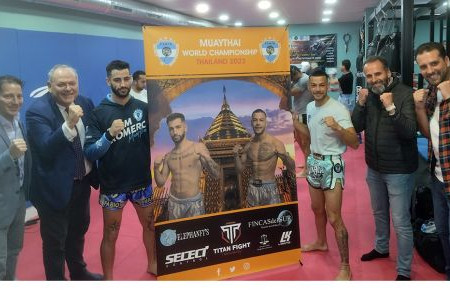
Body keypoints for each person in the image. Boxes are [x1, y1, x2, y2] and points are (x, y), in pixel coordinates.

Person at [25, 65, 102, 280]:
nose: (68, 88)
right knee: (55, 242)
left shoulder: (85, 102)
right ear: (50, 87)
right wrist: (69, 124)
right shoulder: (37, 112)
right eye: (61, 84)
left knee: (78, 232)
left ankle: (78, 272)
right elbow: (47, 148)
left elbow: (93, 138)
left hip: (82, 182)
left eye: (72, 83)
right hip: (53, 188)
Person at [84, 60, 155, 279]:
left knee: (150, 226)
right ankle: (109, 278)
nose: (123, 83)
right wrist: (108, 135)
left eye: (126, 78)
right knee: (110, 233)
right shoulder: (98, 114)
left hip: (142, 181)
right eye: (117, 79)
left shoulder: (144, 109)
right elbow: (91, 152)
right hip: (113, 184)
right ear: (108, 81)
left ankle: (153, 263)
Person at [352, 56, 417, 281]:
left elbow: (409, 132)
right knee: (379, 213)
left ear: (388, 72)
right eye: (369, 76)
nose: (373, 79)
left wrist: (391, 107)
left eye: (377, 74)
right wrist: (359, 104)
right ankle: (381, 248)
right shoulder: (369, 96)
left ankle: (404, 270)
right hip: (375, 167)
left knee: (400, 221)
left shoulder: (405, 93)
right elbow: (356, 127)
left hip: (399, 170)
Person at [292, 69, 359, 280]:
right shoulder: (311, 106)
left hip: (332, 164)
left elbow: (355, 143)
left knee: (334, 216)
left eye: (322, 85)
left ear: (328, 85)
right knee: (316, 209)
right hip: (314, 161)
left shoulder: (339, 109)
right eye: (314, 85)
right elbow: (311, 134)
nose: (318, 89)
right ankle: (321, 242)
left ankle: (345, 266)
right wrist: (293, 122)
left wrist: (338, 127)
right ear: (309, 87)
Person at [414, 42, 450, 280]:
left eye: (434, 63)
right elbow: (429, 134)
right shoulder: (432, 92)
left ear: (447, 61)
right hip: (438, 175)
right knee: (444, 231)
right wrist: (418, 107)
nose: (429, 70)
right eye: (424, 66)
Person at [154, 112, 220, 220]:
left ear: (185, 127)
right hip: (174, 203)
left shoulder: (198, 148)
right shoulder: (169, 156)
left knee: (197, 233)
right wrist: (156, 168)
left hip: (194, 204)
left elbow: (216, 175)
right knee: (177, 234)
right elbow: (160, 183)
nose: (175, 132)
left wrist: (208, 159)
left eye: (178, 127)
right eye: (171, 129)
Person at [0, 75, 31, 280]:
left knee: (13, 252)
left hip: (18, 201)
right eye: (8, 96)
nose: (15, 101)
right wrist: (8, 155)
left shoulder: (18, 122)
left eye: (19, 96)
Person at [233, 109, 295, 207]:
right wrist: (236, 155)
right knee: (253, 219)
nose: (258, 123)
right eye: (255, 120)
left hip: (269, 187)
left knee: (273, 219)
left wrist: (285, 156)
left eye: (261, 120)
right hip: (252, 187)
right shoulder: (248, 146)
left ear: (266, 123)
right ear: (251, 123)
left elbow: (292, 168)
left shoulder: (276, 143)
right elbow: (239, 170)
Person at [290, 65, 313, 178]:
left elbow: (293, 92)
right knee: (299, 140)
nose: (292, 81)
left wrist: (284, 85)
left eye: (292, 78)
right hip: (299, 113)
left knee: (305, 143)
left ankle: (307, 170)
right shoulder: (299, 79)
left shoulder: (304, 79)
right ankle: (307, 163)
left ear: (295, 73)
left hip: (305, 114)